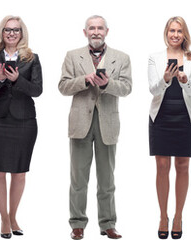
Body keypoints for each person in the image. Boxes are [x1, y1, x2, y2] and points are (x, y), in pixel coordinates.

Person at [59, 15, 132, 240]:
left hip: (107, 124)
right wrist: (86, 80)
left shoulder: (121, 58)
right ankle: (78, 223)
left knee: (107, 179)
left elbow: (127, 88)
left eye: (100, 28)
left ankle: (108, 223)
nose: (96, 32)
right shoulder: (72, 56)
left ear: (107, 31)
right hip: (80, 123)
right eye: (92, 28)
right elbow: (63, 86)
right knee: (78, 178)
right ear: (85, 32)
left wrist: (107, 84)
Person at [0, 15, 42, 239]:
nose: (12, 33)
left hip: (24, 121)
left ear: (21, 33)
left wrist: (16, 79)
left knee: (19, 172)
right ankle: (4, 219)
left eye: (16, 30)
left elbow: (37, 90)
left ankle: (13, 216)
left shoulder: (31, 59)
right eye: (7, 30)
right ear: (2, 33)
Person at [147, 16, 191, 240]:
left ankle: (178, 216)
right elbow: (153, 89)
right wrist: (166, 78)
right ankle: (162, 216)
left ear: (184, 34)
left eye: (179, 31)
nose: (175, 35)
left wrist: (185, 80)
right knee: (161, 166)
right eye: (172, 31)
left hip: (185, 116)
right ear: (166, 33)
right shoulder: (155, 58)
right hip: (161, 115)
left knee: (182, 165)